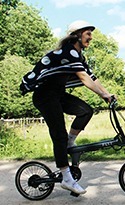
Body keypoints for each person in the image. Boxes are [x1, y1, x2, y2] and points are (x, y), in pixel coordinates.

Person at [22, 20, 114, 195]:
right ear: (77, 35)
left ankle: (70, 142)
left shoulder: (79, 56)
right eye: (88, 34)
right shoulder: (68, 52)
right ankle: (66, 178)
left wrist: (108, 94)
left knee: (86, 111)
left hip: (57, 94)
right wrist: (102, 95)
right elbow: (84, 78)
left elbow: (92, 77)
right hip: (45, 96)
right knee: (59, 134)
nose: (91, 38)